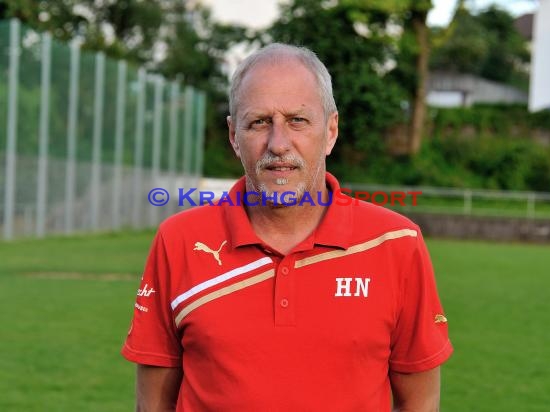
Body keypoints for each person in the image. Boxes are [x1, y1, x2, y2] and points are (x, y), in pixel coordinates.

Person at [122, 43, 453, 412]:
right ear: (234, 135)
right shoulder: (179, 239)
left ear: (330, 131)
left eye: (297, 120)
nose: (278, 144)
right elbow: (152, 404)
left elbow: (420, 403)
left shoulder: (395, 243)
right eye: (259, 122)